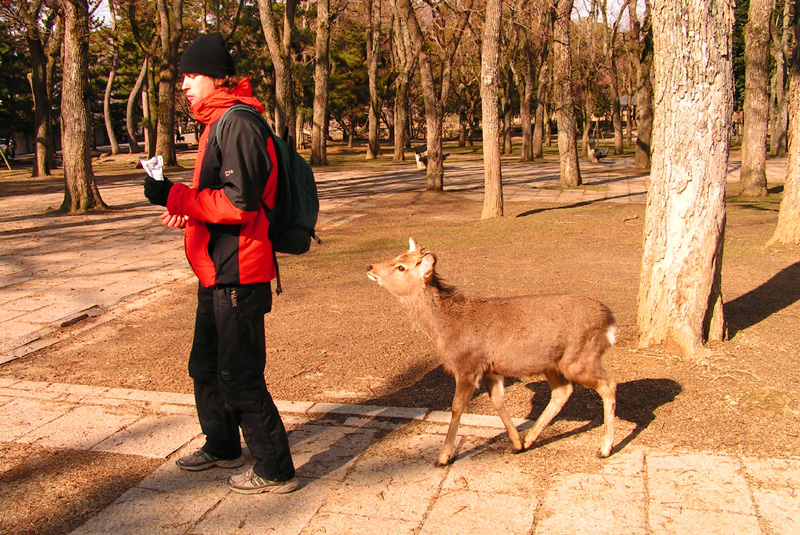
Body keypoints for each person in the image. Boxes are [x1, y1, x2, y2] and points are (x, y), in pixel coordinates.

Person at [143, 32, 297, 495]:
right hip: (213, 269)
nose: (184, 85)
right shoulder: (216, 122)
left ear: (215, 77)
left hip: (240, 272)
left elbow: (239, 205)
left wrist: (173, 193)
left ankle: (275, 468)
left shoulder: (240, 123)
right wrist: (184, 205)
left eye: (191, 75)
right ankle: (222, 443)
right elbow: (213, 199)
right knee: (205, 366)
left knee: (238, 374)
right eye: (183, 76)